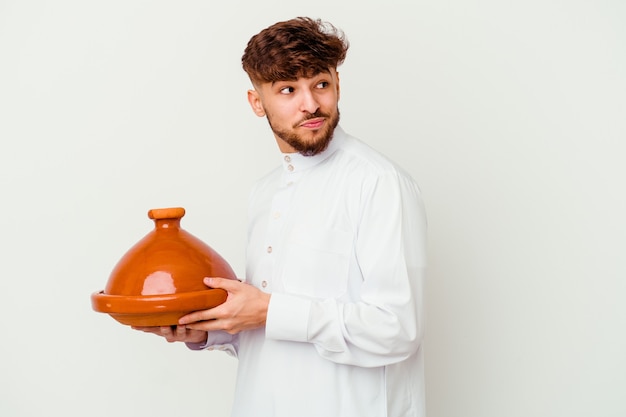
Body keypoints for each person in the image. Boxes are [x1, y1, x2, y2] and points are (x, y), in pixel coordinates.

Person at [134, 17, 428, 417]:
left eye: (320, 84)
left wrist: (270, 310)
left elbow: (396, 330)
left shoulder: (379, 183)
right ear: (258, 103)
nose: (310, 104)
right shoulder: (265, 192)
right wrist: (206, 330)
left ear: (338, 85)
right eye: (288, 89)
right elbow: (268, 329)